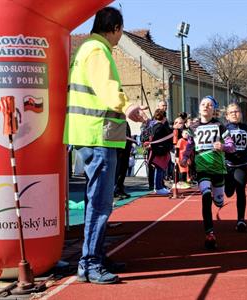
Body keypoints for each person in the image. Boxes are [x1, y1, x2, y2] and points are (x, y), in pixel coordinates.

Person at [63, 7, 147, 284]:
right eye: (121, 31)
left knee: (94, 201)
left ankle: (94, 254)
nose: (120, 37)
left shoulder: (85, 50)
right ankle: (90, 262)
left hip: (86, 133)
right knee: (100, 204)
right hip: (98, 135)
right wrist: (129, 106)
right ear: (116, 28)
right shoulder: (98, 51)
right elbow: (107, 88)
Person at [181, 96, 235, 249]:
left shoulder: (220, 126)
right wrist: (185, 157)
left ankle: (218, 198)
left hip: (218, 169)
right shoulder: (193, 127)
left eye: (210, 105)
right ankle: (209, 233)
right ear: (199, 108)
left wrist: (223, 147)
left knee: (218, 201)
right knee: (205, 196)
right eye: (203, 104)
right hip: (202, 168)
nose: (206, 106)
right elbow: (190, 145)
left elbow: (232, 146)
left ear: (214, 110)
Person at [224, 103, 247, 232]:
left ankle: (241, 220)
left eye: (237, 111)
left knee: (241, 191)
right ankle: (227, 188)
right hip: (227, 165)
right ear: (227, 116)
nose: (234, 114)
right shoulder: (224, 128)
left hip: (242, 164)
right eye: (231, 112)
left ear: (241, 114)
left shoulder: (246, 128)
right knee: (228, 192)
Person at [140, 100, 169, 191]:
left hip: (162, 147)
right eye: (162, 105)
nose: (164, 107)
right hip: (153, 147)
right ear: (158, 106)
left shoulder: (165, 120)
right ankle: (153, 185)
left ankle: (160, 184)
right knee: (154, 166)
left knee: (162, 166)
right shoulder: (153, 121)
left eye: (165, 105)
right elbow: (146, 131)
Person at [148, 109, 173, 195]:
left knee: (160, 169)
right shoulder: (160, 127)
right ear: (164, 118)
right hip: (160, 151)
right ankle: (158, 187)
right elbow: (157, 139)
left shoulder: (153, 126)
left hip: (158, 150)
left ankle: (159, 186)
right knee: (160, 168)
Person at [114, 123, 132, 199]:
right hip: (119, 149)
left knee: (123, 169)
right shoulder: (117, 122)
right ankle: (116, 190)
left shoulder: (125, 123)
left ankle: (120, 188)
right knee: (119, 170)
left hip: (125, 148)